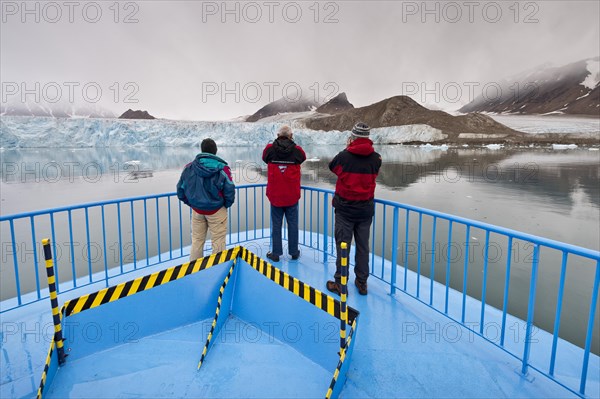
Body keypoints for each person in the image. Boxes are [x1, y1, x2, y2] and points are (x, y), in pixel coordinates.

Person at [326, 122, 382, 295]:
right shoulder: (377, 158)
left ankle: (340, 283)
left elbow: (332, 166)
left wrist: (347, 149)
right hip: (365, 211)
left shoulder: (344, 156)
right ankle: (362, 282)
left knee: (343, 246)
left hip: (345, 210)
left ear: (353, 138)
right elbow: (374, 174)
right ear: (368, 138)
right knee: (363, 247)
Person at [177, 138, 235, 260]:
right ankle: (217, 270)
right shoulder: (223, 169)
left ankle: (195, 269)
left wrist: (192, 203)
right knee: (218, 242)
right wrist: (225, 205)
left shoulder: (189, 167)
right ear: (215, 151)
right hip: (217, 210)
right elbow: (229, 189)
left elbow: (180, 190)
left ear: (202, 150)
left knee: (197, 241)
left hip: (197, 211)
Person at [262, 125, 306, 262]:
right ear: (291, 136)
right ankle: (294, 252)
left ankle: (276, 253)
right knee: (293, 224)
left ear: (278, 135)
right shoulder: (297, 150)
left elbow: (264, 158)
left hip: (275, 196)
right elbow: (303, 158)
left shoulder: (269, 149)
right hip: (292, 196)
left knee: (276, 224)